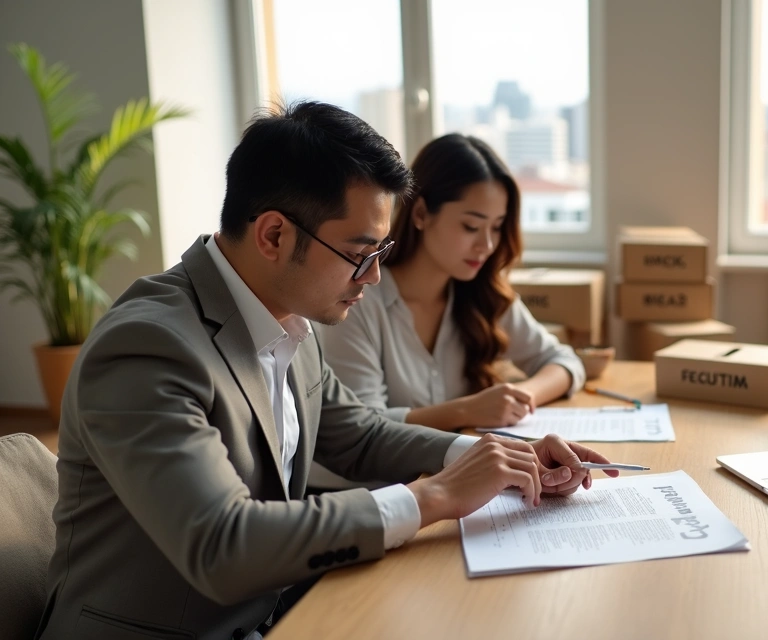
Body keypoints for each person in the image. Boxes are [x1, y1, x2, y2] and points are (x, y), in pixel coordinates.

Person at [37, 102, 613, 640]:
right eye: (360, 254)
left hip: (273, 611)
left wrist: (492, 457)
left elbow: (358, 432)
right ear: (273, 235)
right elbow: (221, 545)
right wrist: (431, 497)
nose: (374, 278)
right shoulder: (148, 346)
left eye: (381, 253)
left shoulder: (290, 314)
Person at [318, 133, 584, 431]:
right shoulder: (356, 300)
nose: (487, 244)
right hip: (379, 479)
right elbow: (362, 427)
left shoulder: (482, 294)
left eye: (496, 227)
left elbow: (563, 361)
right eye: (471, 226)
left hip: (452, 468)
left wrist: (518, 399)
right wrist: (466, 412)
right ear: (421, 213)